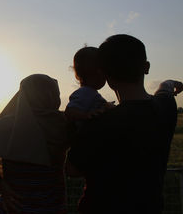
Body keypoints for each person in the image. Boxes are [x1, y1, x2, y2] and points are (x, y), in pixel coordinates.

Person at [66, 34, 183, 214]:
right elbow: (164, 90)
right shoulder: (166, 107)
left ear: (104, 73)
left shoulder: (97, 120)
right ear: (146, 67)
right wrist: (169, 83)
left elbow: (72, 169)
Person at [0, 74, 70, 214]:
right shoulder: (65, 125)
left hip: (11, 208)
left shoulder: (4, 126)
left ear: (22, 95)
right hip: (51, 207)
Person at [65, 46, 112, 123]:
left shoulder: (89, 93)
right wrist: (86, 116)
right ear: (99, 73)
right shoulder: (85, 92)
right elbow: (70, 111)